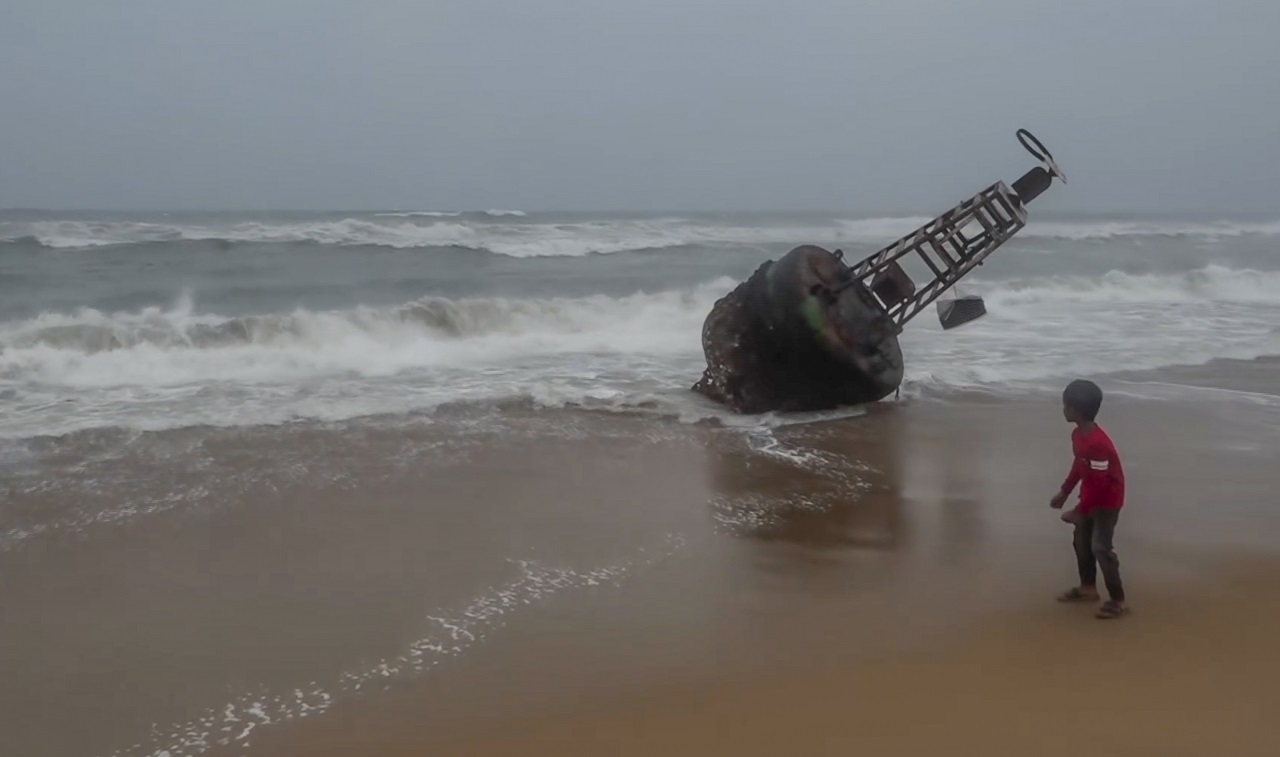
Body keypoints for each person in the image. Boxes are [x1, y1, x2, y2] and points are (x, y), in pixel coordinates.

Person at [1049, 379, 1128, 619]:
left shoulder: (1098, 444)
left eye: (1065, 405)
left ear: (1075, 410)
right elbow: (1079, 465)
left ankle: (1118, 600)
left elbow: (1102, 483)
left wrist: (1081, 510)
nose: (1063, 409)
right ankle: (1088, 588)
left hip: (1107, 501)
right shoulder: (1079, 435)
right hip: (1091, 495)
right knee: (1081, 539)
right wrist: (1065, 491)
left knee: (1101, 547)